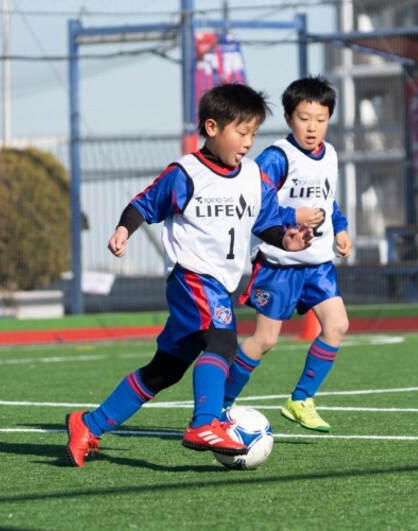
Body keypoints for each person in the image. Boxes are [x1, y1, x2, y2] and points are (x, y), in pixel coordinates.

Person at [64, 83, 318, 467]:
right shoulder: (186, 173)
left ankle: (89, 424)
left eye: (253, 133)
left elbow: (265, 222)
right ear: (212, 128)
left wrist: (288, 238)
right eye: (241, 132)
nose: (248, 142)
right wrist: (123, 229)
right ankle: (205, 423)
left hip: (220, 284)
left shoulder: (253, 177)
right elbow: (143, 204)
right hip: (193, 278)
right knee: (223, 343)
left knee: (164, 371)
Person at [224, 75, 353, 432]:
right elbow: (253, 206)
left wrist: (340, 227)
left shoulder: (330, 155)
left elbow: (327, 200)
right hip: (279, 264)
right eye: (303, 118)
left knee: (337, 325)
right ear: (288, 118)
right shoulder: (277, 158)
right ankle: (218, 406)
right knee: (264, 340)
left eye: (321, 119)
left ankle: (300, 399)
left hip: (318, 264)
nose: (312, 128)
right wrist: (293, 216)